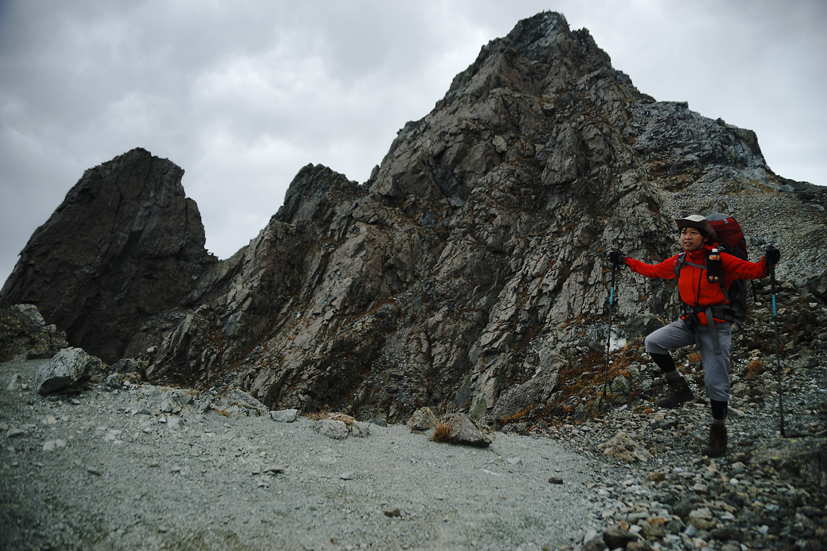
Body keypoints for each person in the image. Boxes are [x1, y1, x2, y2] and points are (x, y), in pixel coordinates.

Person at [609, 215, 780, 457]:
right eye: (683, 233)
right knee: (653, 342)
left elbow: (754, 272)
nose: (686, 237)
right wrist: (625, 260)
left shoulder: (721, 260)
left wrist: (767, 262)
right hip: (688, 323)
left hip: (716, 327)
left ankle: (718, 431)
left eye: (693, 233)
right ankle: (680, 388)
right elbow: (653, 271)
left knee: (715, 383)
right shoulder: (680, 261)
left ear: (705, 237)